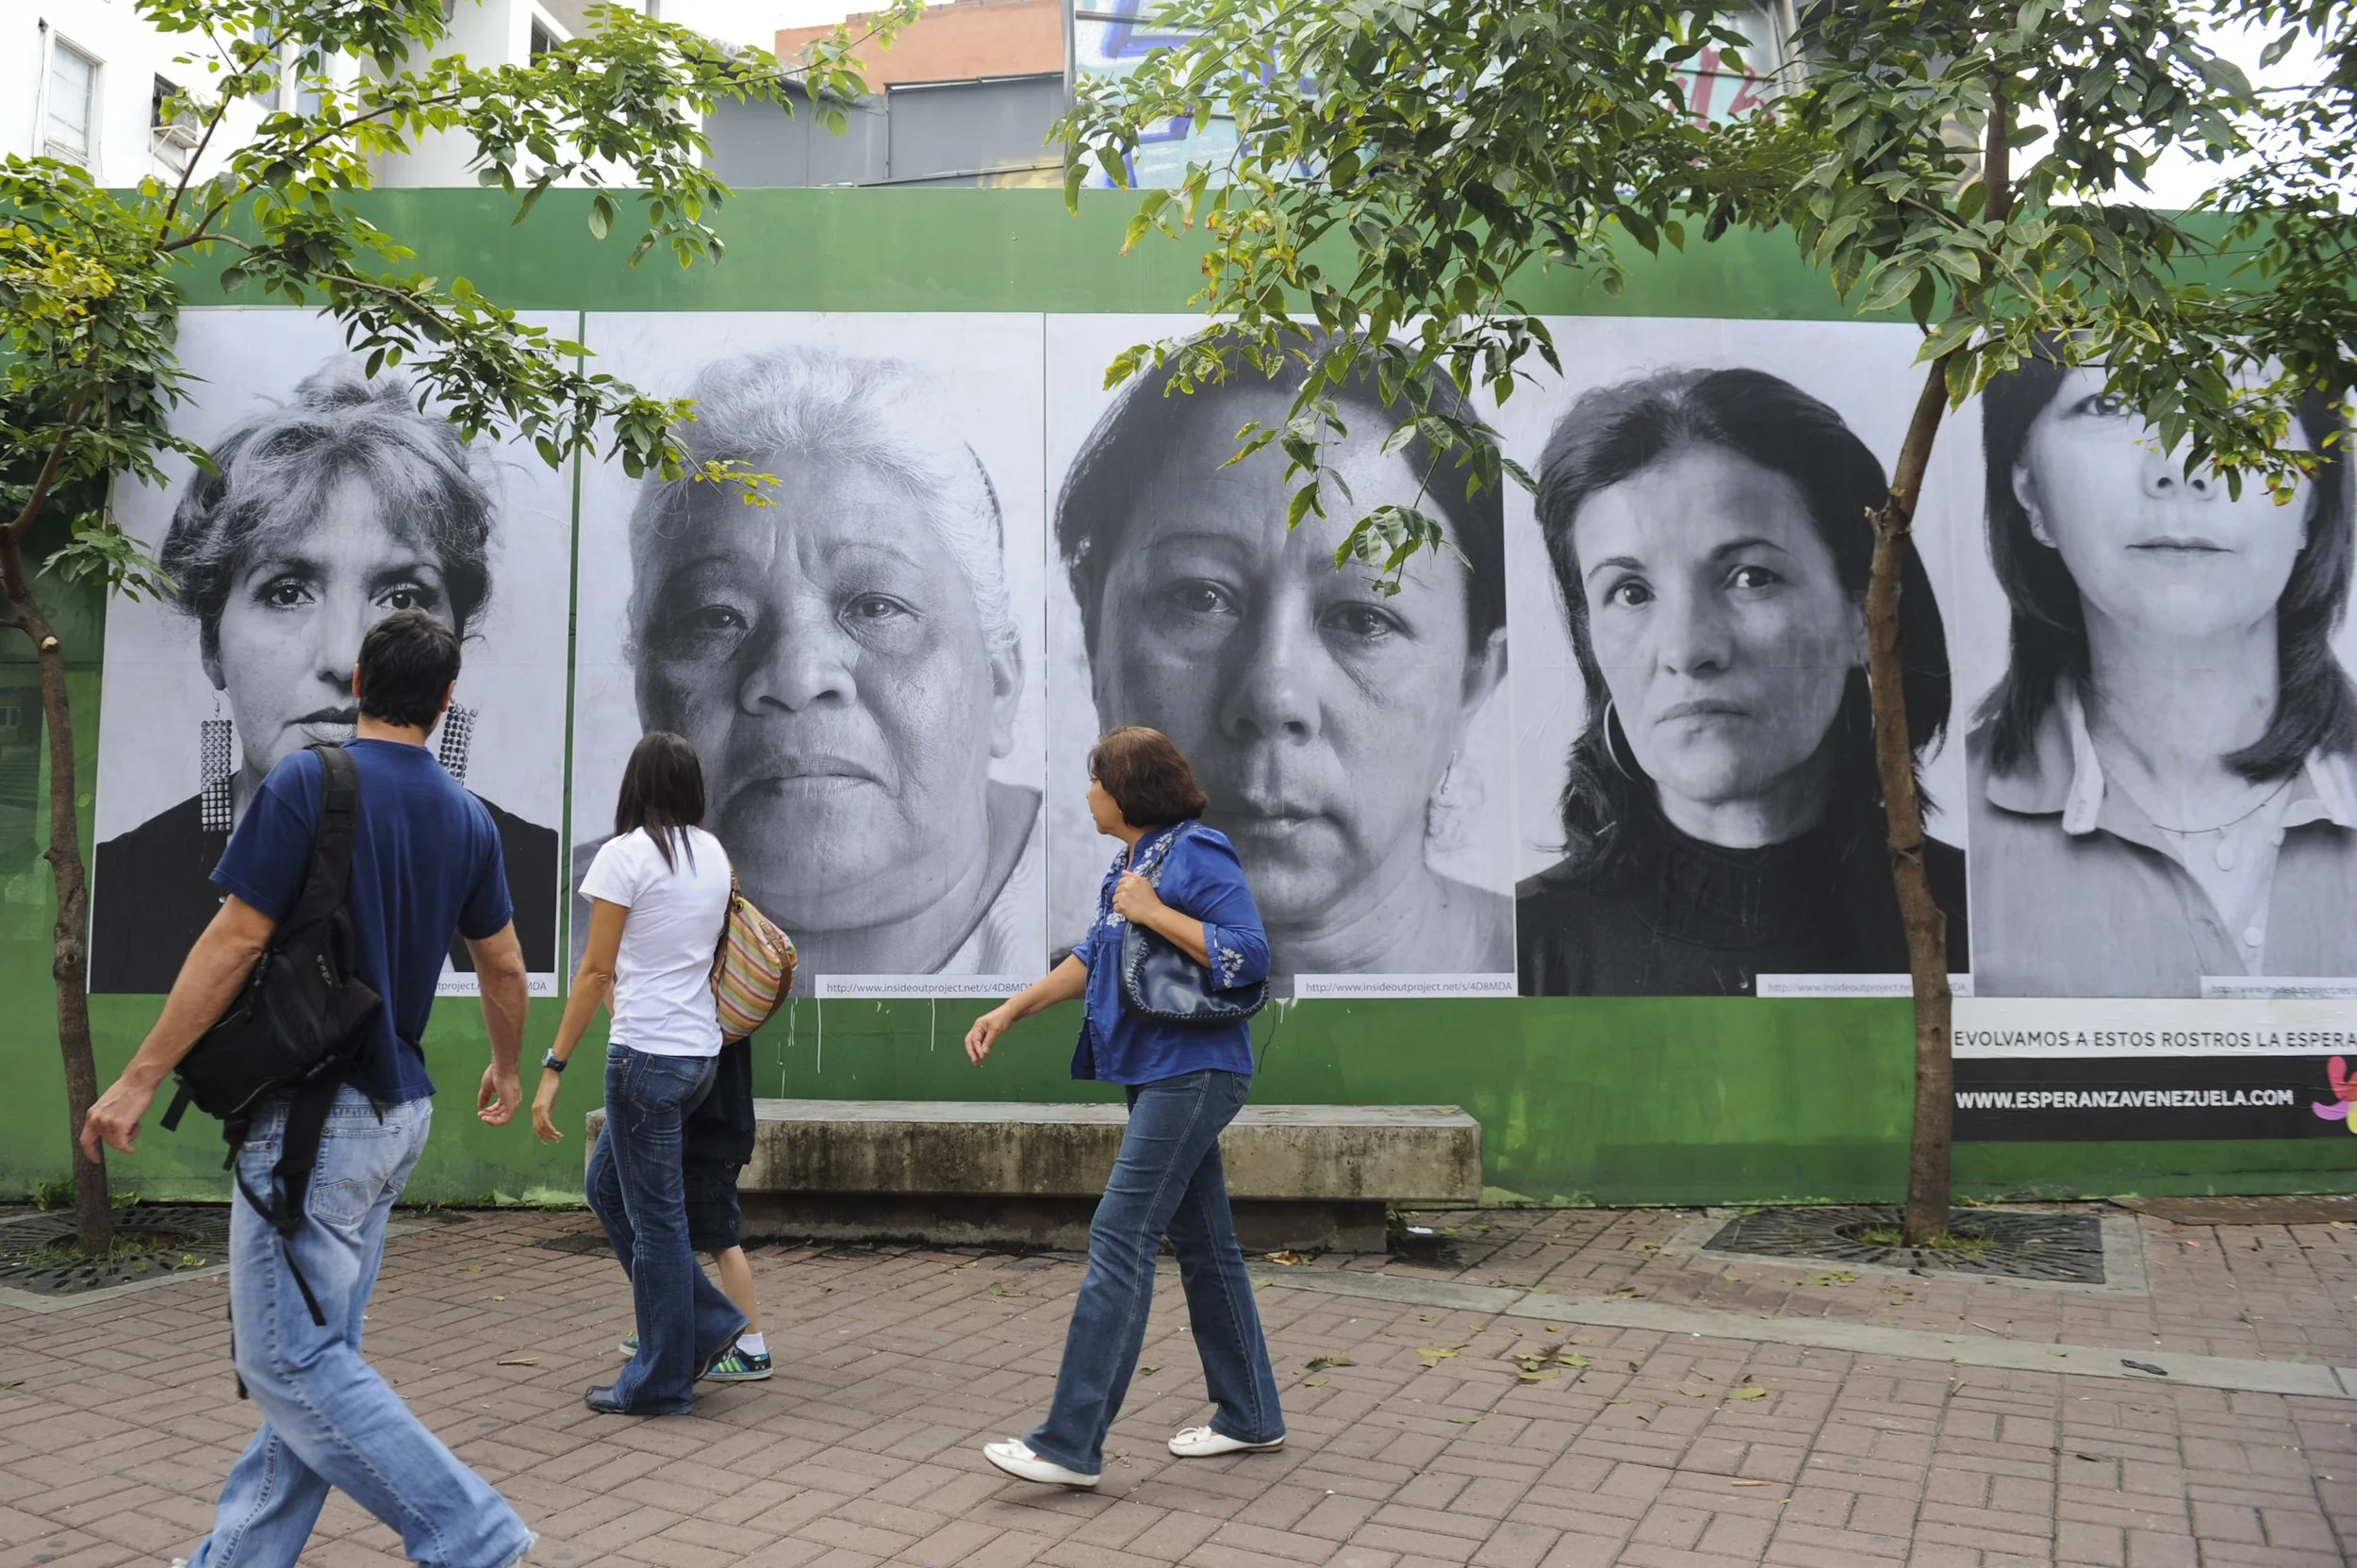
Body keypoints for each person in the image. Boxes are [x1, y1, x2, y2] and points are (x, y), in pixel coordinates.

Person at [79, 608, 536, 1568]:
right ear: (446, 699)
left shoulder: (306, 781)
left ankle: (474, 1533)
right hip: (394, 1110)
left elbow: (234, 938)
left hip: (313, 1121)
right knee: (316, 1355)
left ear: (361, 681)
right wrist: (504, 1064)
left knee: (290, 1359)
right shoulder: (467, 816)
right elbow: (502, 966)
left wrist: (135, 1077)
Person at [91, 361, 559, 992]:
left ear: (456, 643)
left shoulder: (539, 878)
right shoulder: (122, 887)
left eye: (401, 595)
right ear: (211, 641)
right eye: (287, 591)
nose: (346, 658)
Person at [1055, 341, 1510, 983]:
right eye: (1198, 596)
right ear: (1092, 630)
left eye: (1363, 618)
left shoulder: (1574, 975)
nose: (1273, 696)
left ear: (1475, 677)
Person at [1517, 367, 1969, 995]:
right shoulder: (1523, 948)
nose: (1687, 648)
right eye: (1630, 591)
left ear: (1867, 613)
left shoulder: (1983, 923)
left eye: (1751, 577)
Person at [602, 344, 1041, 979]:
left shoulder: (1120, 919)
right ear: (646, 686)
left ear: (1001, 680)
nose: (796, 677)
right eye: (716, 617)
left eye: (875, 605)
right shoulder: (542, 922)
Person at [1969, 356, 2357, 995]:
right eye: (2111, 405)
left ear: (2314, 496)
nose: (2182, 464)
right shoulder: (1940, 822)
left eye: (2247, 409)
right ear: (2029, 491)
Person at [964, 726, 1284, 1488]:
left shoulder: (1196, 851)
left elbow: (1250, 952)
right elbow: (1090, 957)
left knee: (1120, 1234)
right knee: (1206, 1246)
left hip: (1194, 1069)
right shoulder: (1131, 862)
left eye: (1096, 778)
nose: (1087, 792)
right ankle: (1250, 1414)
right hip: (1158, 1072)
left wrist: (1152, 911)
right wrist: (1010, 1010)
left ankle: (1069, 1442)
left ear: (1127, 787)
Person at [538, 731, 747, 1414]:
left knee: (657, 1220)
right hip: (697, 1059)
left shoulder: (625, 855)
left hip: (645, 1058)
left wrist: (554, 1065)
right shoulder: (711, 854)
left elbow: (597, 970)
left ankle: (659, 1381)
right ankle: (707, 1321)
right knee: (608, 1190)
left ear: (634, 784)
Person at [535, 1035, 773, 1383]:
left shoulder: (713, 1003)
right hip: (689, 1091)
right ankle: (677, 1325)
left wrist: (555, 1065)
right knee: (633, 1203)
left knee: (718, 1230)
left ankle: (750, 1347)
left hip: (712, 1113)